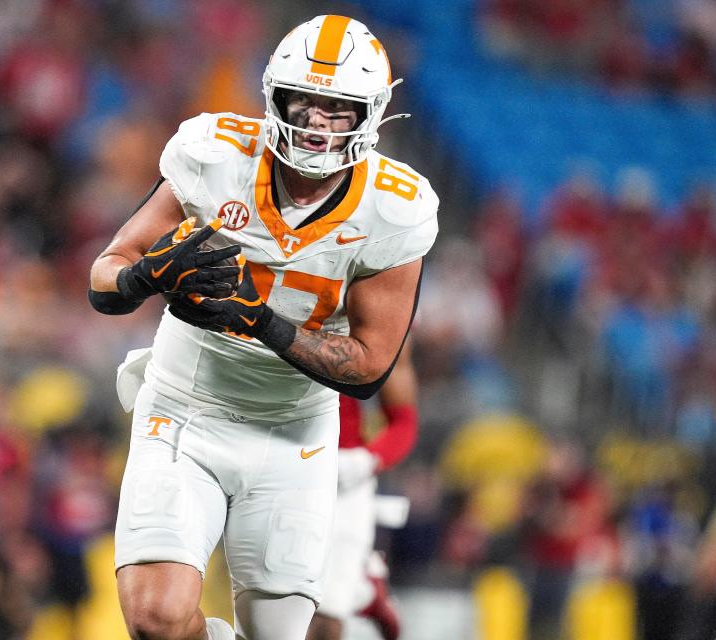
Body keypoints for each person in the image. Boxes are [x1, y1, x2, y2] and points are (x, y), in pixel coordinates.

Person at [88, 14, 438, 640]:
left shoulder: (394, 209)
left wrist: (260, 320)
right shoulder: (215, 153)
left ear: (371, 115)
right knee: (155, 618)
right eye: (305, 101)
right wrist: (146, 277)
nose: (316, 121)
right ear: (276, 95)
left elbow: (368, 369)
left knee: (279, 632)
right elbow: (103, 278)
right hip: (183, 406)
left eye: (338, 108)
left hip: (292, 431)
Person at [308, 340, 419, 640]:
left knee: (324, 619)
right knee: (270, 605)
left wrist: (365, 460)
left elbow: (403, 422)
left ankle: (357, 589)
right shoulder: (258, 300)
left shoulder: (380, 316)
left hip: (343, 479)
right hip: (272, 459)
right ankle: (364, 591)